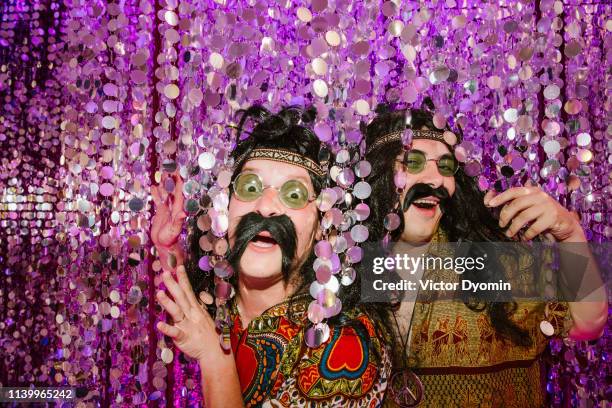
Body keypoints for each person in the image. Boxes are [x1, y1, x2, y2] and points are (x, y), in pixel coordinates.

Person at [363, 103, 607, 407]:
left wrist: (570, 235)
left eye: (445, 166)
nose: (435, 180)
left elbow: (588, 323)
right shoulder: (343, 268)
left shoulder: (494, 260)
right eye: (412, 163)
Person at [151, 105, 391, 407]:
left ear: (323, 224)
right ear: (225, 209)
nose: (265, 207)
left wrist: (215, 358)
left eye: (293, 194)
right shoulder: (219, 303)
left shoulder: (345, 348)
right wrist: (168, 246)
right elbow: (187, 315)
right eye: (250, 187)